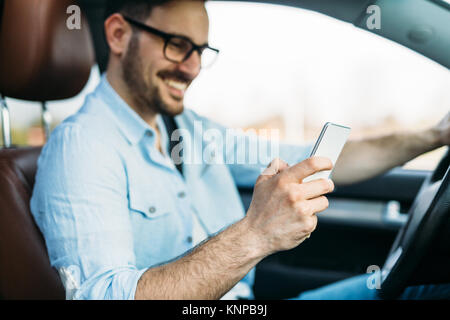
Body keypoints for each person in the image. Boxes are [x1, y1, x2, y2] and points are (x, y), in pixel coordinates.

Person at [30, 0, 450, 300]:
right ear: (119, 35)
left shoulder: (189, 130)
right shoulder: (81, 148)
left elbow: (307, 158)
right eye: (177, 44)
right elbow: (103, 297)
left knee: (424, 287)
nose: (192, 67)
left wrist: (433, 137)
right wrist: (256, 234)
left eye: (200, 50)